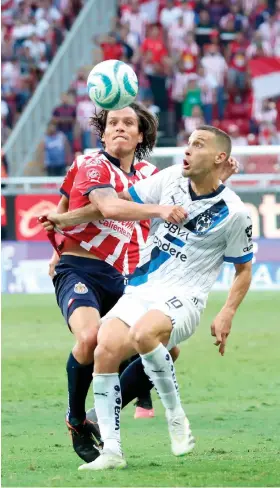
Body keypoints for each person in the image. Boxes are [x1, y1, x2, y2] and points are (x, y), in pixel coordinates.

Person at [72, 125, 253, 471]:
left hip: (185, 297)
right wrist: (72, 214)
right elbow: (118, 204)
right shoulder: (169, 178)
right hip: (142, 288)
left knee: (143, 335)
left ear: (219, 157)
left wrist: (227, 311)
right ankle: (111, 451)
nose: (187, 149)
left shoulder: (236, 212)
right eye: (187, 142)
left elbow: (243, 269)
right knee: (105, 347)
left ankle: (176, 418)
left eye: (197, 145)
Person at [40, 103, 187, 464]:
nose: (119, 128)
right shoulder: (92, 164)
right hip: (80, 269)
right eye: (112, 123)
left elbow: (190, 188)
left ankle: (97, 414)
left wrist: (220, 171)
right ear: (102, 133)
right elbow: (106, 206)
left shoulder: (150, 175)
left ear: (141, 136)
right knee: (89, 339)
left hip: (124, 279)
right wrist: (59, 248)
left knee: (165, 350)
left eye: (128, 123)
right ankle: (76, 419)